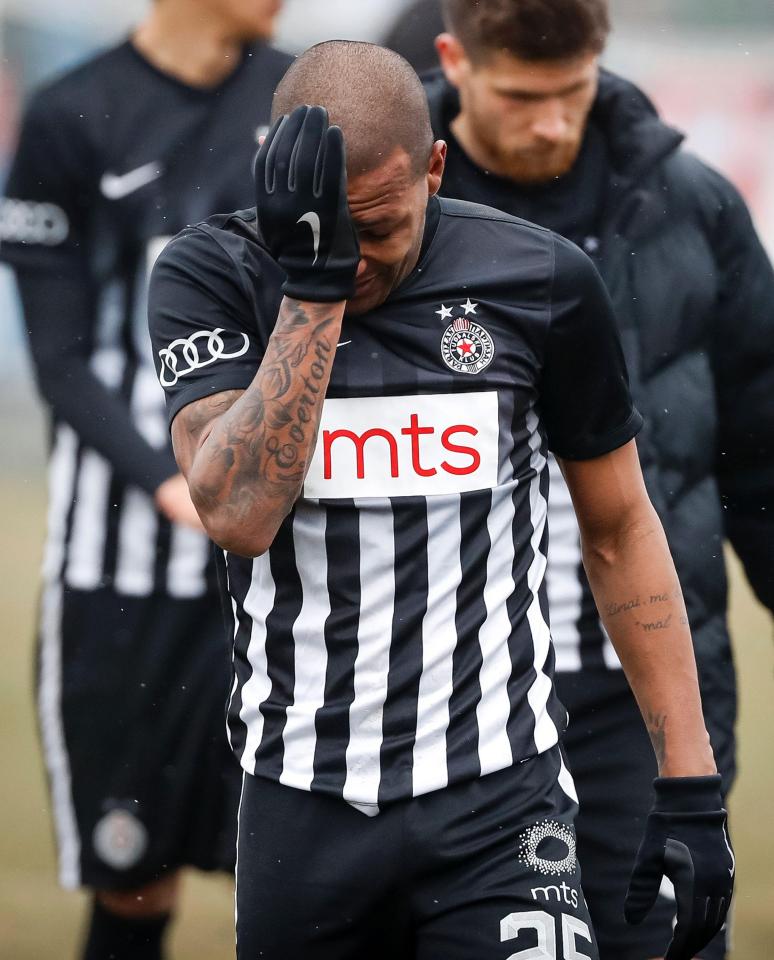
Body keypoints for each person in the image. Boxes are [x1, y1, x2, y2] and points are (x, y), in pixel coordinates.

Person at [148, 40, 734, 960]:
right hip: (301, 804)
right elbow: (238, 513)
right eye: (335, 233)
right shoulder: (211, 274)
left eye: (378, 229)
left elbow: (620, 529)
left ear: (434, 165)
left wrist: (690, 785)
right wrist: (312, 291)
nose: (359, 261)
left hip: (500, 804)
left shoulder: (538, 281)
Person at [378, 0, 774, 957]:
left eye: (571, 91)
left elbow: (762, 448)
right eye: (521, 95)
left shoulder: (696, 205)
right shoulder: (381, 213)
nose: (551, 121)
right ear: (453, 62)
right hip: (439, 696)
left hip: (643, 696)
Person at [0, 2, 291, 958]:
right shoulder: (70, 115)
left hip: (286, 578)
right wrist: (174, 481)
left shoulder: (302, 103)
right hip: (119, 572)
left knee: (313, 886)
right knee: (132, 882)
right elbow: (62, 358)